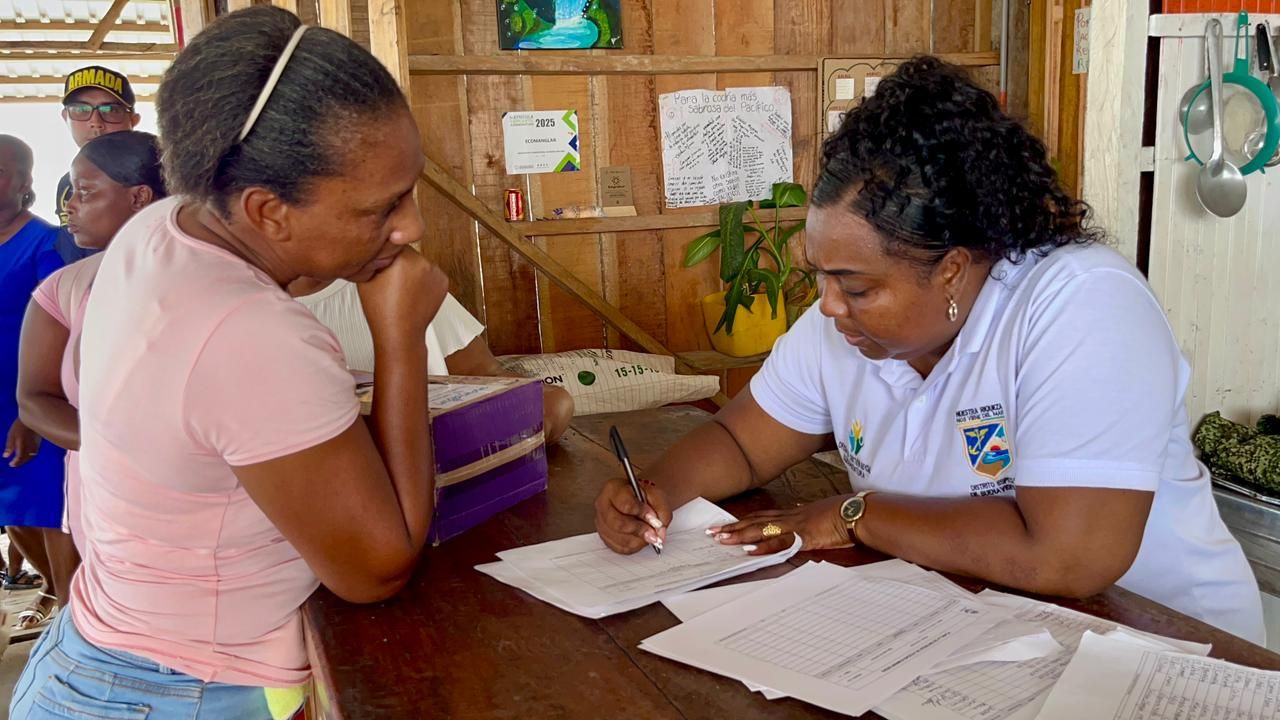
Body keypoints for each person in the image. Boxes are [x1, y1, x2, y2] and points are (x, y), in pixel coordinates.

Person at [593, 57, 1266, 645]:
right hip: (977, 626)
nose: (827, 305)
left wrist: (854, 515)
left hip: (1161, 641)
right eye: (820, 275)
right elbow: (742, 443)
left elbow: (1067, 558)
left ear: (950, 268)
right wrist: (657, 491)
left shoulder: (1083, 304)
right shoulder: (842, 326)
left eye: (854, 285)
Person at [11, 8, 447, 719]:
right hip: (175, 691)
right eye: (384, 208)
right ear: (269, 212)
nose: (412, 228)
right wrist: (400, 334)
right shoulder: (252, 334)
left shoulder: (165, 225)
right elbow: (376, 569)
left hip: (97, 659)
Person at [17, 131, 168, 620]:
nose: (69, 208)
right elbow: (35, 399)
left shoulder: (207, 283)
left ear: (139, 197)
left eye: (84, 192)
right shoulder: (64, 288)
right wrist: (120, 449)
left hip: (188, 512)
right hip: (102, 501)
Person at [291, 277, 576, 443]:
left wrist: (538, 407)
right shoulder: (260, 315)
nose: (412, 227)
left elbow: (489, 377)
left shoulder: (400, 282)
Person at [0, 135, 67, 632]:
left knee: (46, 506)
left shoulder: (46, 244)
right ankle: (54, 592)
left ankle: (71, 609)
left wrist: (34, 412)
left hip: (31, 402)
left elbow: (68, 326)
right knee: (12, 511)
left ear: (25, 183)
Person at [53, 66, 141, 265]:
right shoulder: (67, 186)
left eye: (110, 110)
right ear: (66, 117)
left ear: (133, 120)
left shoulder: (169, 172)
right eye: (81, 110)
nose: (96, 122)